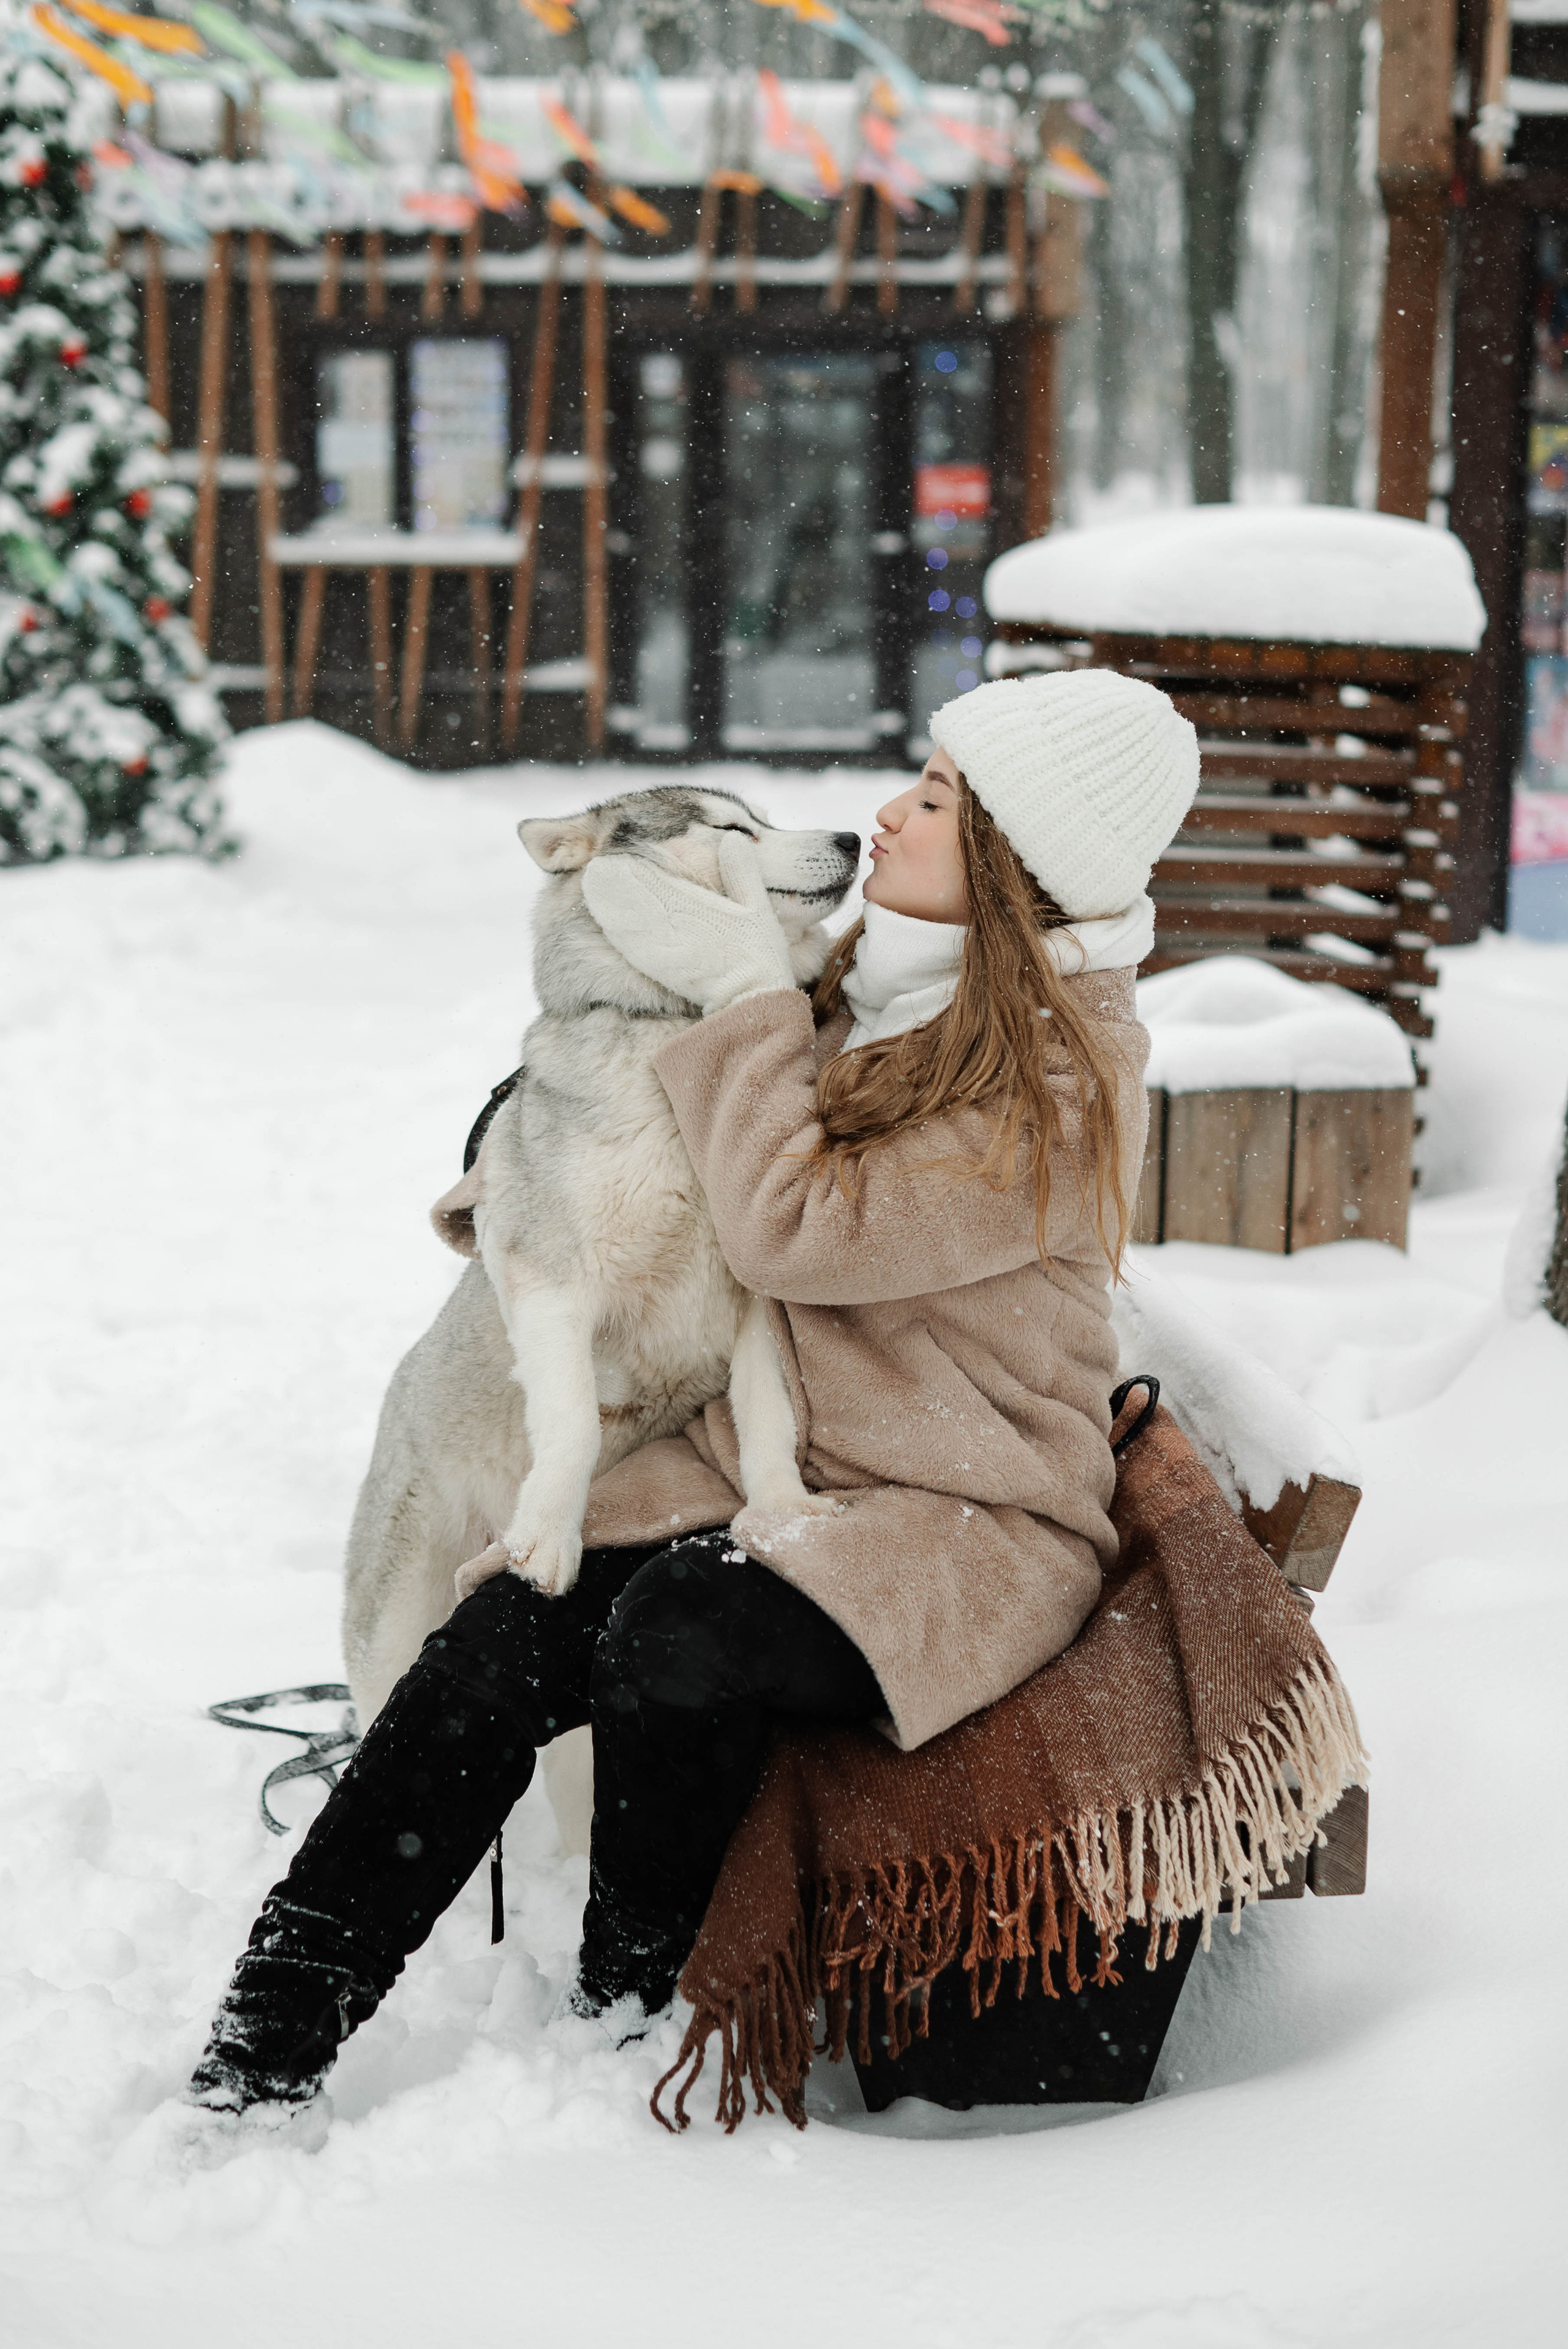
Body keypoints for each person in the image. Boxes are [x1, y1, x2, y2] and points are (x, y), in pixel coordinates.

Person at [186, 669, 1199, 2130]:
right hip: (777, 1472)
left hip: (959, 1518)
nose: (885, 813)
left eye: (932, 799)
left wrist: (736, 996)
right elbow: (667, 1142)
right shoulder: (863, 979)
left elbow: (792, 1229)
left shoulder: (1056, 1080)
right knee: (499, 1637)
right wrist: (527, 1187)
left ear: (1010, 860)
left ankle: (625, 2028)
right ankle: (262, 2046)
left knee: (679, 1633)